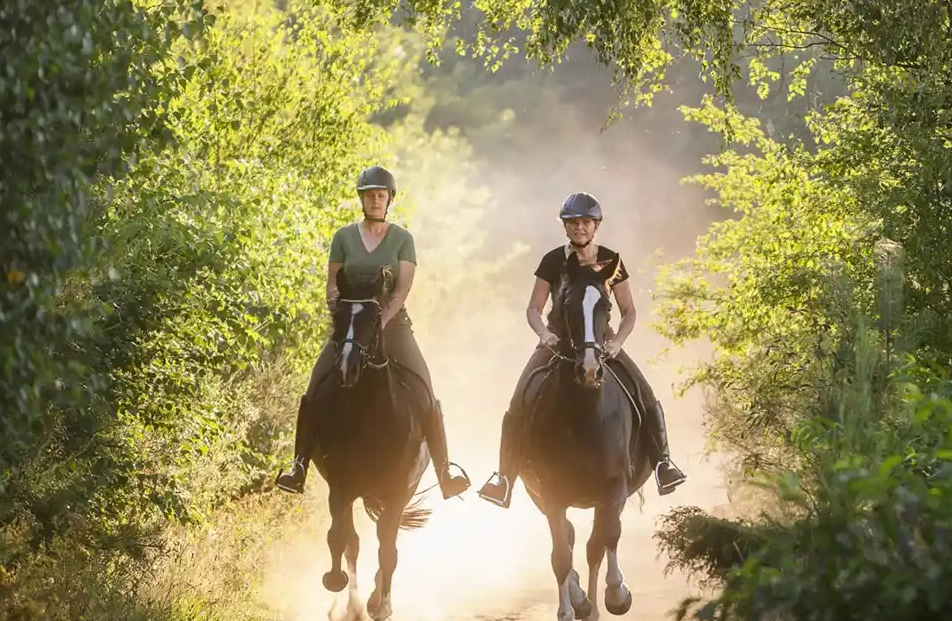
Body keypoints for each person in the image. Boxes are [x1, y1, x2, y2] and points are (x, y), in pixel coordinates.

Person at [477, 191, 687, 507]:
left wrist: (617, 342)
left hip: (601, 343)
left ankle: (663, 463)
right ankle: (504, 478)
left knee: (643, 391)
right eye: (572, 223)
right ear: (565, 227)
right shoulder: (552, 261)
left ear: (596, 225)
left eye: (585, 222)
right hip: (558, 343)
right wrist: (543, 333)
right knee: (519, 399)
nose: (579, 228)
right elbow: (533, 308)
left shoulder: (611, 261)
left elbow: (629, 311)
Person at [274, 165, 470, 499]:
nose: (375, 201)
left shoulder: (402, 239)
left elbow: (401, 291)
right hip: (350, 324)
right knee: (315, 386)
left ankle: (445, 470)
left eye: (381, 195)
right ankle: (299, 465)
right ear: (362, 200)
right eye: (370, 196)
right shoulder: (343, 237)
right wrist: (343, 318)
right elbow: (332, 286)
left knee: (424, 388)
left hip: (392, 327)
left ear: (390, 199)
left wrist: (377, 324)